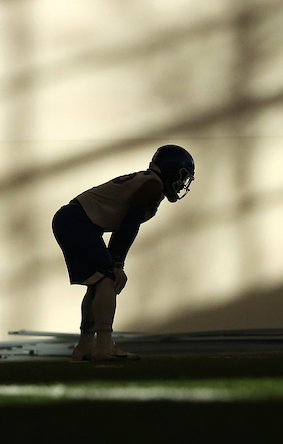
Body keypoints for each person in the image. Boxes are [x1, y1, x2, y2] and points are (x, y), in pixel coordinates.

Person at [51, 145, 196, 362]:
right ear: (171, 169)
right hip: (78, 222)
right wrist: (117, 263)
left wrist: (115, 261)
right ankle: (104, 345)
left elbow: (124, 225)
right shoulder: (152, 186)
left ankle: (85, 346)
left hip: (74, 220)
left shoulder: (148, 181)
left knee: (100, 282)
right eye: (182, 176)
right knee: (108, 280)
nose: (182, 183)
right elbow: (128, 225)